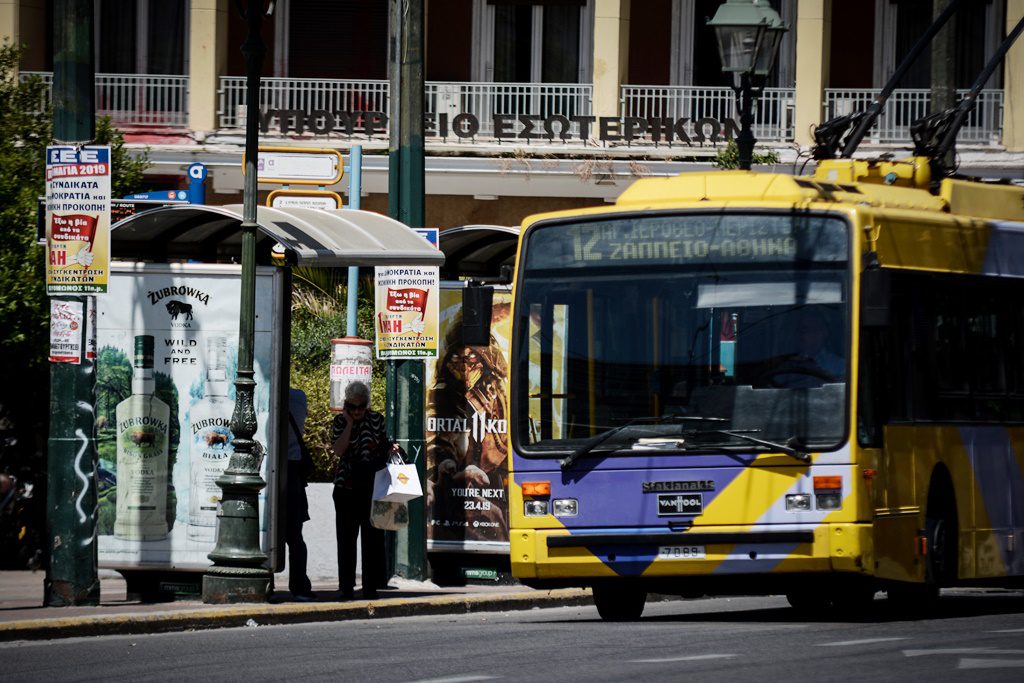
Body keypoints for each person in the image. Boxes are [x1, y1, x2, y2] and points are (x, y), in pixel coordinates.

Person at [331, 381, 400, 600]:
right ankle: (346, 586)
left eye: (361, 407)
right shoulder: (340, 422)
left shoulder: (377, 420)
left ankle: (370, 586)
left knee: (373, 539)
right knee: (346, 540)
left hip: (373, 486)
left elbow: (382, 446)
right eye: (353, 407)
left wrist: (391, 448)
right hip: (347, 487)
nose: (358, 411)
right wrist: (350, 423)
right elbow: (339, 450)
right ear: (347, 406)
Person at [286, 387, 315, 601]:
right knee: (295, 535)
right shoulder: (299, 396)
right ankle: (299, 584)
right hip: (294, 469)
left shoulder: (268, 394)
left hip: (277, 466)